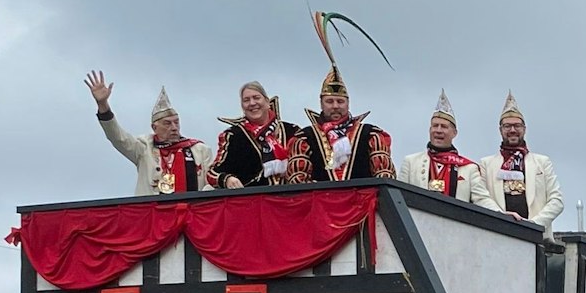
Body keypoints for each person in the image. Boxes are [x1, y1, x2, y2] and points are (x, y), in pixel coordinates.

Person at [85, 72, 211, 195]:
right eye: (167, 123)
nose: (174, 128)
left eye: (176, 122)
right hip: (153, 213)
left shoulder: (199, 150)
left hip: (190, 213)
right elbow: (118, 137)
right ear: (154, 127)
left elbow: (212, 183)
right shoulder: (145, 147)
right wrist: (103, 104)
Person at [293, 54, 393, 182]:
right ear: (321, 103)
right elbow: (297, 177)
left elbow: (384, 174)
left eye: (340, 101)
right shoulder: (305, 137)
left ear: (348, 103)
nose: (335, 106)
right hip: (320, 201)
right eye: (329, 101)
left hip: (363, 201)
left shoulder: (370, 134)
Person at [479, 93, 564, 236]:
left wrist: (534, 225)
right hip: (498, 234)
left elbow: (557, 200)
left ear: (524, 129)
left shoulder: (542, 162)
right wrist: (501, 217)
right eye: (507, 126)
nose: (512, 130)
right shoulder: (486, 165)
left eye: (517, 125)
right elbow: (480, 198)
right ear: (500, 130)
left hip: (536, 237)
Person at [400, 90, 496, 206]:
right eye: (435, 126)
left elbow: (482, 199)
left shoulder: (468, 168)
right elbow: (400, 196)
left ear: (454, 133)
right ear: (430, 130)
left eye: (444, 127)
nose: (438, 130)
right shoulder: (411, 162)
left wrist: (502, 214)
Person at [205, 82, 306, 189]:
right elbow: (212, 173)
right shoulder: (233, 135)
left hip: (290, 199)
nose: (252, 103)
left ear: (267, 102)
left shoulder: (292, 131)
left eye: (256, 98)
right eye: (246, 100)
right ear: (242, 107)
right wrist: (227, 179)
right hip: (253, 201)